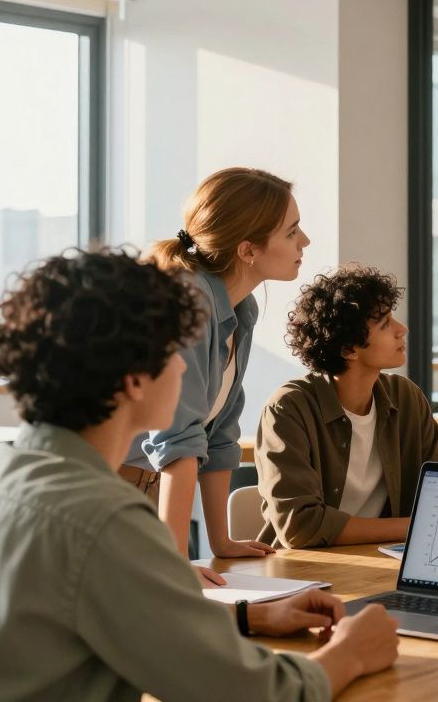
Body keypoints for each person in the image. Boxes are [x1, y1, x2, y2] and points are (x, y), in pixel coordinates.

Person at [0, 248, 398, 700]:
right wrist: (352, 652)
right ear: (135, 379)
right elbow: (249, 693)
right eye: (177, 350)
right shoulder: (105, 521)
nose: (185, 366)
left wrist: (252, 617)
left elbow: (120, 617)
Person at [123, 167, 311, 585]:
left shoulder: (242, 309)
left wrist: (220, 541)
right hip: (110, 492)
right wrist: (176, 562)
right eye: (291, 232)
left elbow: (219, 432)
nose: (305, 242)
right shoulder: (191, 302)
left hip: (145, 491)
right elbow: (179, 439)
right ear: (248, 250)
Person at [255, 265, 438, 548]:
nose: (402, 330)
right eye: (385, 324)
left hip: (383, 561)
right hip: (305, 571)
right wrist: (414, 527)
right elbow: (300, 527)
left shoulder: (405, 397)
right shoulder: (289, 409)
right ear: (349, 349)